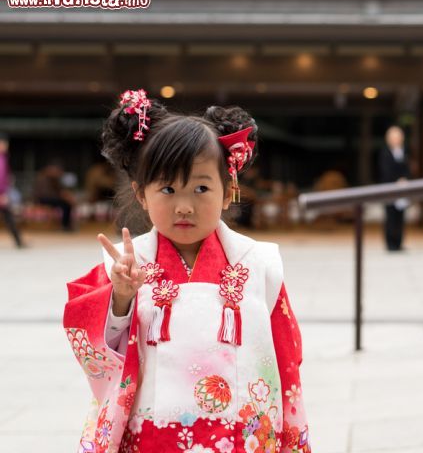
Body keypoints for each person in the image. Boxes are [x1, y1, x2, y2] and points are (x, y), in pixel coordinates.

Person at [62, 89, 311, 453]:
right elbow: (99, 358)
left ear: (228, 192)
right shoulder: (125, 268)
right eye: (167, 188)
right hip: (152, 436)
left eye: (201, 188)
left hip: (240, 437)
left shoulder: (259, 264)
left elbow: (286, 358)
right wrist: (121, 299)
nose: (184, 206)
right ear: (141, 194)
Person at [377, 125, 410, 251]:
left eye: (398, 137)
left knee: (400, 216)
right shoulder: (385, 152)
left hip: (402, 188)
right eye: (393, 137)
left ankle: (399, 242)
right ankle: (390, 244)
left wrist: (405, 179)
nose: (396, 140)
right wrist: (396, 181)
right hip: (389, 188)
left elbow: (407, 168)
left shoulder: (404, 151)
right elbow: (385, 171)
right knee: (390, 216)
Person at [34, 160, 76, 231]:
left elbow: (59, 191)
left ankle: (66, 225)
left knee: (65, 204)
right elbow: (57, 192)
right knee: (66, 205)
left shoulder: (46, 176)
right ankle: (65, 225)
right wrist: (66, 198)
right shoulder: (49, 177)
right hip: (44, 199)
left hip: (46, 198)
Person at [0, 133, 25, 248]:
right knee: (8, 216)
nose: (5, 146)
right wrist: (2, 193)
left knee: (8, 216)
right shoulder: (1, 159)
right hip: (1, 193)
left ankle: (18, 240)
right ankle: (18, 241)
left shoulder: (3, 157)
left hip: (3, 192)